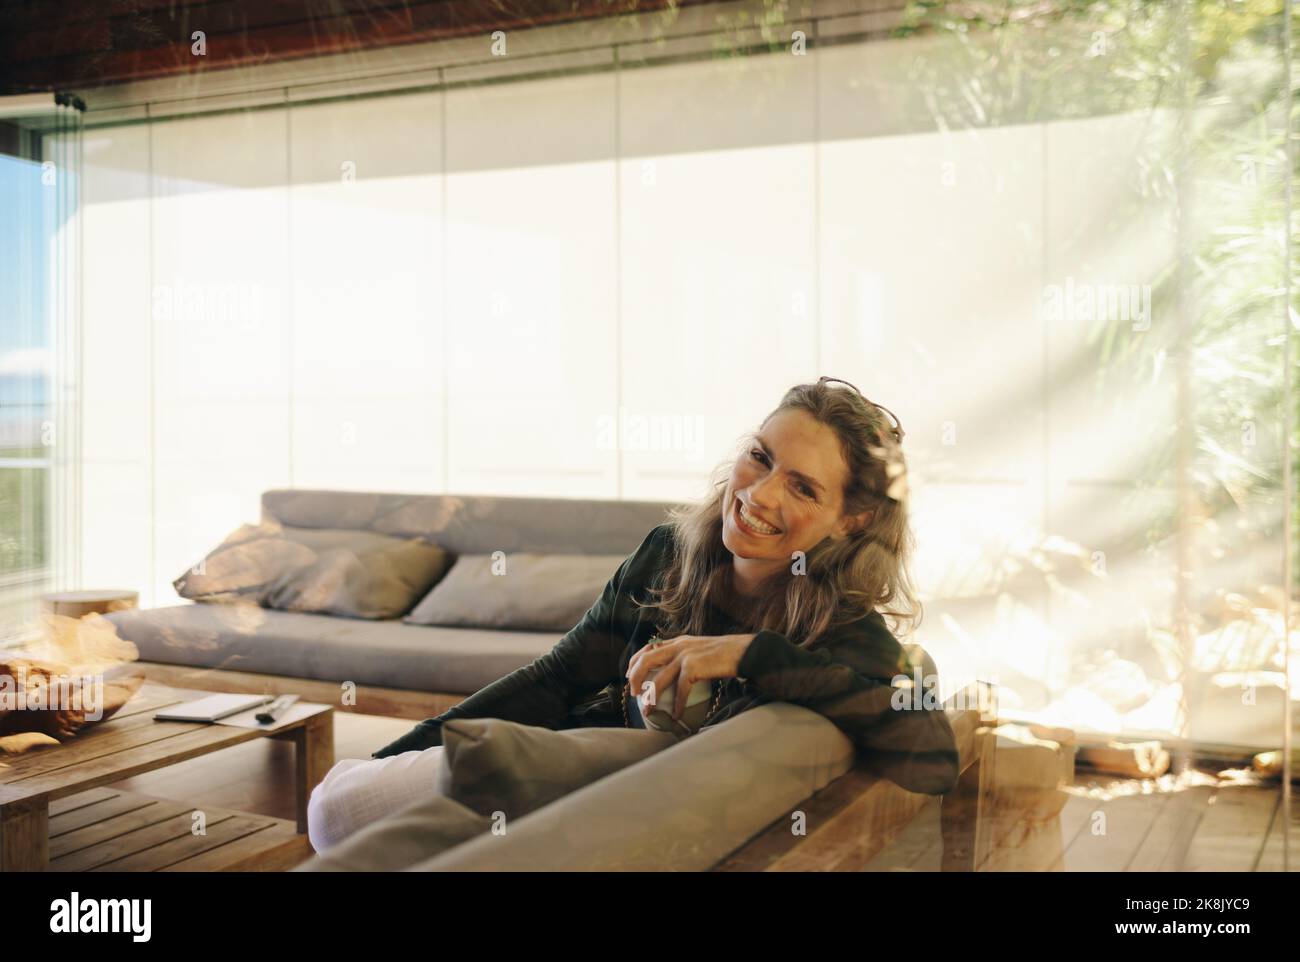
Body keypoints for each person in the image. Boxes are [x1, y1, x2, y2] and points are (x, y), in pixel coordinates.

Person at [305, 377, 960, 852]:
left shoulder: (845, 630)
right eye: (761, 456)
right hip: (557, 770)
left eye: (803, 486)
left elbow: (931, 754)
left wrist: (749, 655)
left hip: (599, 807)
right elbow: (556, 680)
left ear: (853, 520)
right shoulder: (666, 556)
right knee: (344, 795)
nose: (758, 494)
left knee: (330, 812)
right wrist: (395, 757)